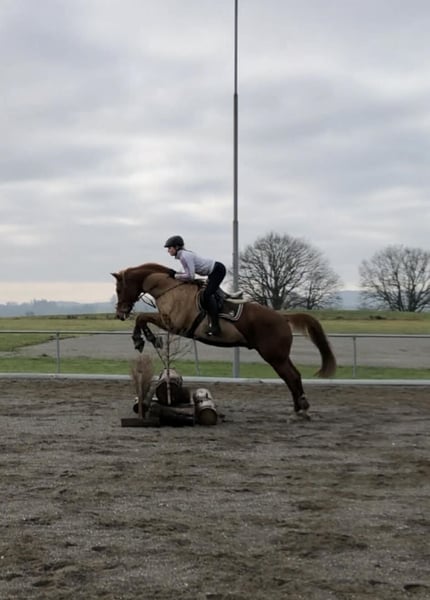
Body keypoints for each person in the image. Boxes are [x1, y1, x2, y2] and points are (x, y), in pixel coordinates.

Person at [164, 235, 226, 336]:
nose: (168, 251)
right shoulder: (183, 255)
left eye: (169, 248)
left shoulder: (184, 256)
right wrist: (177, 274)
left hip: (217, 271)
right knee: (205, 293)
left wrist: (175, 275)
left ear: (177, 247)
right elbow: (188, 273)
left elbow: (190, 276)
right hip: (214, 271)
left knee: (206, 296)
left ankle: (216, 327)